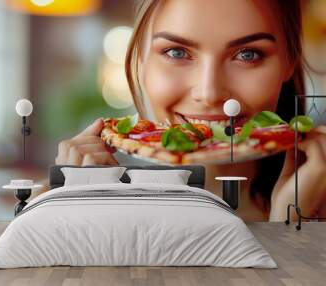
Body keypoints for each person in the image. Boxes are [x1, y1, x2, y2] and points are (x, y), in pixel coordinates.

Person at [55, 0, 326, 222]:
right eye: (176, 52)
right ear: (140, 58)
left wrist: (292, 229)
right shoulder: (70, 196)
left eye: (247, 54)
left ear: (290, 59)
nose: (209, 93)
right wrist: (68, 218)